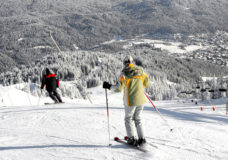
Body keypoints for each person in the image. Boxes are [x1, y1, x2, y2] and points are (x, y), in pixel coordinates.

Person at [103, 55, 150, 146]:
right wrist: (139, 86)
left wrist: (109, 86)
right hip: (141, 99)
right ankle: (142, 139)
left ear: (124, 63)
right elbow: (147, 84)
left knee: (128, 119)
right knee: (138, 118)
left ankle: (132, 139)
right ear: (132, 62)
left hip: (131, 101)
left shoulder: (124, 73)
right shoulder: (141, 71)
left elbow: (119, 88)